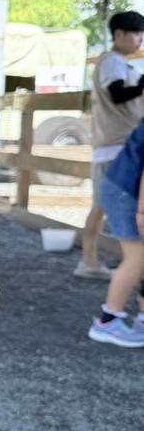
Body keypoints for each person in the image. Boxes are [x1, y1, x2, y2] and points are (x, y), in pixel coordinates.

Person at [75, 10, 144, 279]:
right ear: (119, 35)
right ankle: (130, 266)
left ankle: (90, 261)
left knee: (101, 206)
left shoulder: (120, 64)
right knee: (124, 207)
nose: (140, 39)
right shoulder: (113, 61)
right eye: (136, 34)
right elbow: (117, 95)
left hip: (113, 148)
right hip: (118, 149)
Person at [87, 117, 144, 347]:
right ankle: (107, 322)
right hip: (127, 194)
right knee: (136, 259)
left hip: (124, 189)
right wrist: (142, 212)